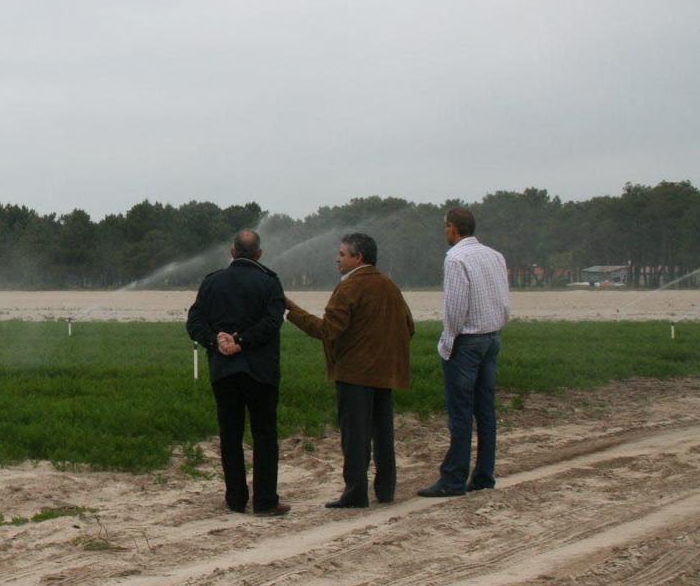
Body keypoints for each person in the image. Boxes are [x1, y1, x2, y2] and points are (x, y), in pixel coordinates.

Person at [285, 233, 414, 508]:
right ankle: (386, 489)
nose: (337, 259)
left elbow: (327, 330)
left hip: (354, 374)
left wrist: (292, 311)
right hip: (386, 373)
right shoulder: (390, 286)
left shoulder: (349, 288)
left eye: (342, 254)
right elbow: (409, 327)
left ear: (359, 258)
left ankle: (355, 493)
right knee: (383, 432)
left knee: (355, 436)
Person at [186, 229, 289, 516]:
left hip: (224, 372)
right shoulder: (270, 282)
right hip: (261, 373)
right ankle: (266, 501)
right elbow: (272, 323)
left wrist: (216, 341)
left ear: (232, 252)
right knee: (264, 435)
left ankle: (235, 499)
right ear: (259, 254)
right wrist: (242, 342)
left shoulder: (212, 282)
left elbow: (194, 321)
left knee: (230, 435)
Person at [419, 207, 510, 498]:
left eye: (445, 226)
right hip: (492, 337)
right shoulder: (495, 256)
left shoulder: (456, 258)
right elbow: (504, 302)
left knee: (460, 412)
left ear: (453, 228)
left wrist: (447, 342)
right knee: (485, 410)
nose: (444, 231)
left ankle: (453, 479)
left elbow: (455, 309)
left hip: (467, 341)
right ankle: (484, 474)